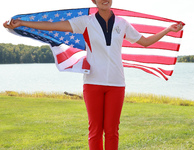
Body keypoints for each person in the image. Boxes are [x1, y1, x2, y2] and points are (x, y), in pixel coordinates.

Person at [3, 0, 183, 149]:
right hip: (92, 83)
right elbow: (52, 26)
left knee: (112, 131)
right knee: (95, 131)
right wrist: (23, 23)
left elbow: (145, 42)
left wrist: (168, 29)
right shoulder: (85, 22)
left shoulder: (122, 23)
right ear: (94, 1)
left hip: (116, 84)